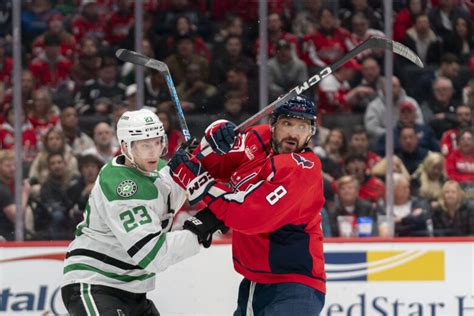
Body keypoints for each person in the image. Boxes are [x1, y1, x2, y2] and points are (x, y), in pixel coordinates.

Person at [168, 95, 326, 315]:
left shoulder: (303, 169)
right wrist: (213, 137)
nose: (293, 133)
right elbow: (213, 166)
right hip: (254, 283)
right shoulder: (258, 140)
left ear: (311, 133)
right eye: (287, 123)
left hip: (295, 286)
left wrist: (198, 182)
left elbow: (249, 216)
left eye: (302, 126)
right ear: (273, 125)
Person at [61, 109, 224, 315]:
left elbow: (190, 185)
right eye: (145, 145)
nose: (153, 152)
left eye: (157, 142)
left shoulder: (159, 171)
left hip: (133, 291)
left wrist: (210, 151)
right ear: (125, 147)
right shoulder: (121, 186)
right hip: (95, 284)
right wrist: (202, 228)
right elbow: (153, 255)